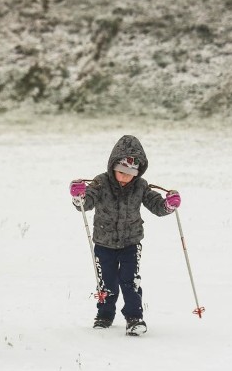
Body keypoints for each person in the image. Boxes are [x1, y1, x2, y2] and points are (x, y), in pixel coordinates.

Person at [69, 134, 180, 336]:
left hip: (131, 242)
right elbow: (86, 204)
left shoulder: (141, 186)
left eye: (129, 174)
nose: (124, 177)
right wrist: (79, 197)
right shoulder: (100, 183)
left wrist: (168, 206)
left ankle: (134, 318)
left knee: (130, 281)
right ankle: (104, 315)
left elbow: (156, 206)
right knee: (107, 282)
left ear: (137, 172)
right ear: (112, 167)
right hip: (104, 243)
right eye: (120, 172)